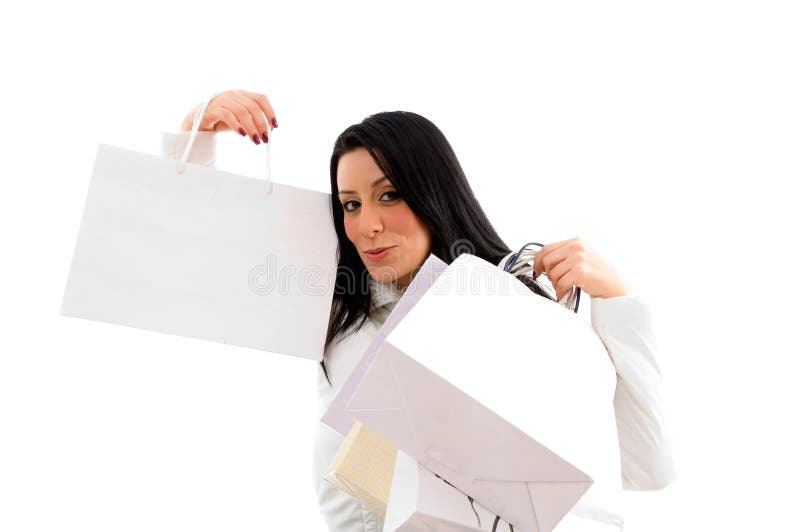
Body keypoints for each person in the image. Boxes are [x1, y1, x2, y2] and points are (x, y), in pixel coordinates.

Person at [162, 89, 676, 531]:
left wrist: (616, 300)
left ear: (433, 193)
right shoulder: (339, 315)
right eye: (351, 204)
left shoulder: (519, 303)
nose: (368, 226)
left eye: (389, 195)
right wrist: (195, 136)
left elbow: (645, 465)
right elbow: (198, 271)